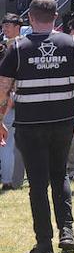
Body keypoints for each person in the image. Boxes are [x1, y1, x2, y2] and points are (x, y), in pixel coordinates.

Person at [0, 0, 74, 253]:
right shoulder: (72, 44)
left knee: (37, 183)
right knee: (59, 175)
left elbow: (3, 89)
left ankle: (43, 243)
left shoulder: (17, 48)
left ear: (30, 18)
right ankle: (67, 231)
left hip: (29, 123)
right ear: (56, 17)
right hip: (62, 121)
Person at [0, 14, 26, 191]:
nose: (5, 28)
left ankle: (10, 179)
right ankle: (15, 178)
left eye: (8, 25)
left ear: (18, 26)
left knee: (7, 141)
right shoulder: (27, 46)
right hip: (21, 98)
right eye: (4, 25)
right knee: (18, 141)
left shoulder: (13, 47)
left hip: (11, 97)